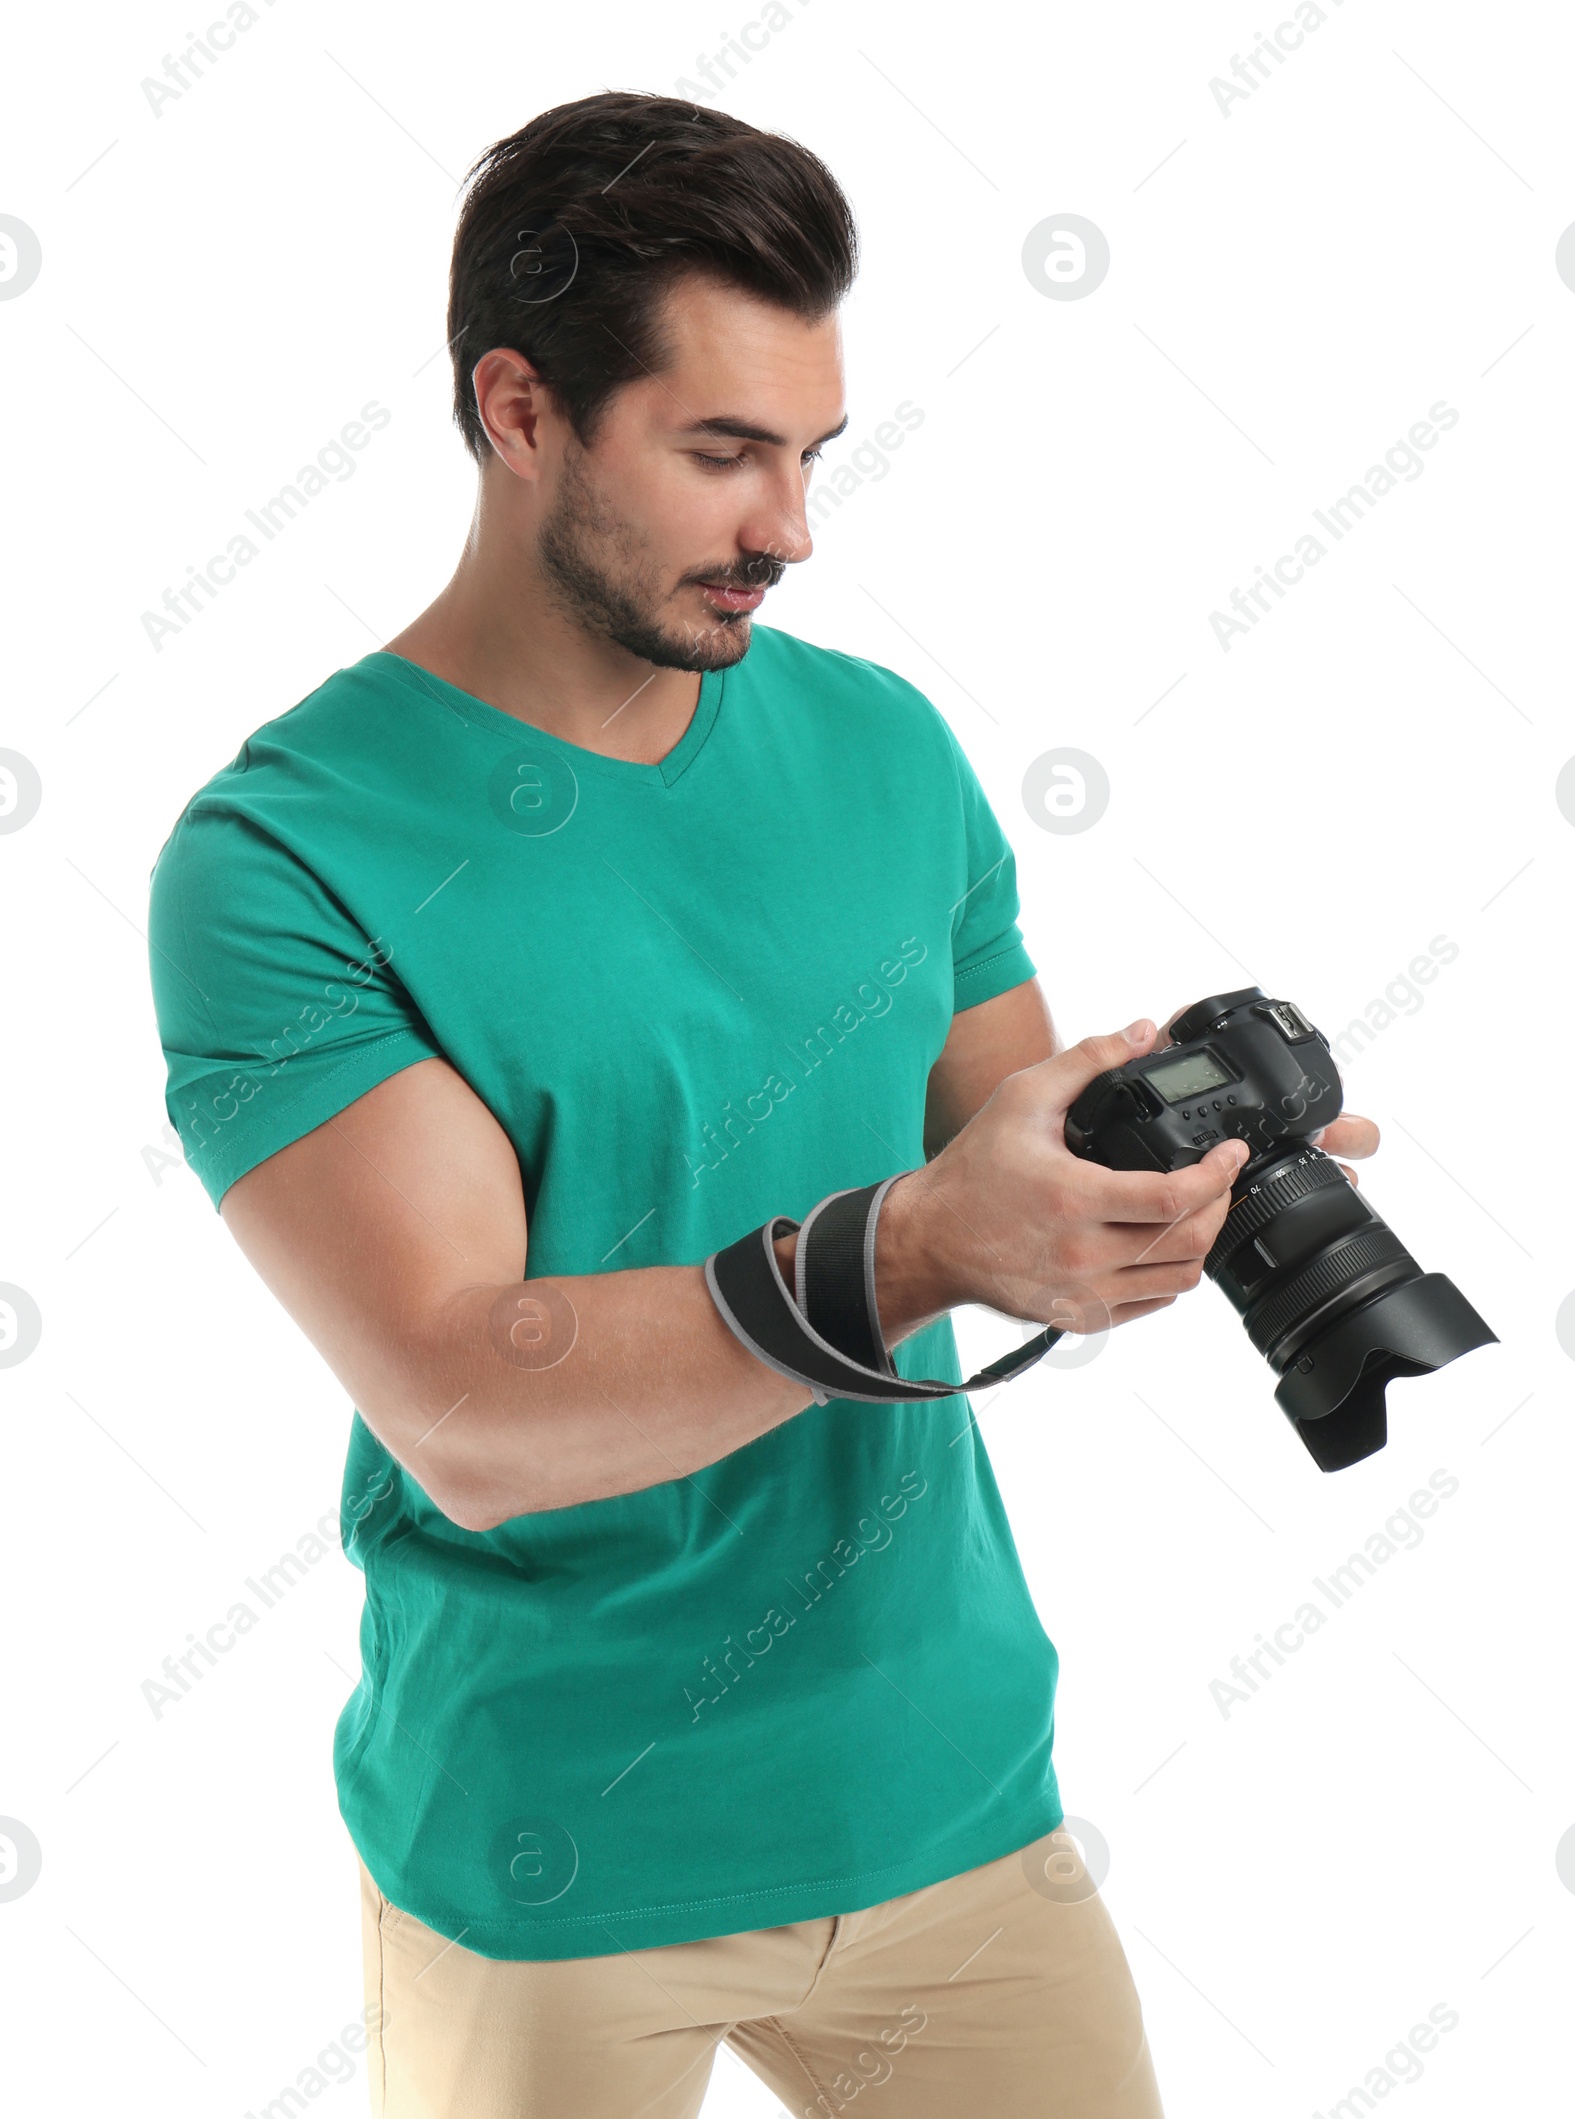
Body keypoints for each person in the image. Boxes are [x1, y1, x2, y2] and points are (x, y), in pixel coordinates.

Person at [146, 89, 1376, 2119]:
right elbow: (469, 1410)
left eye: (807, 455)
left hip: (943, 1789)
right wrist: (908, 1246)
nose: (787, 531)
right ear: (522, 410)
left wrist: (1175, 1165)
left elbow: (1013, 1158)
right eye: (721, 452)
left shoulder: (883, 743)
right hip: (548, 1852)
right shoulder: (289, 862)